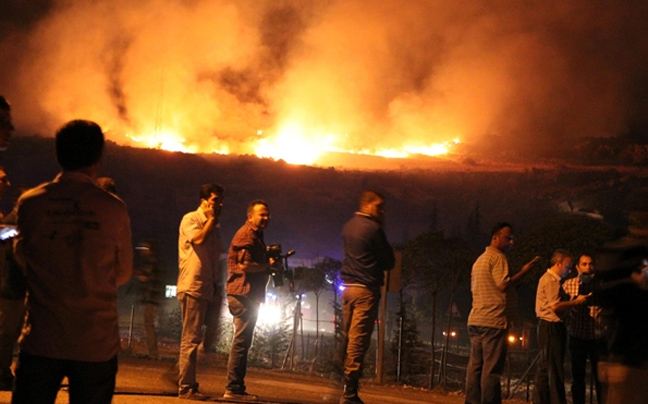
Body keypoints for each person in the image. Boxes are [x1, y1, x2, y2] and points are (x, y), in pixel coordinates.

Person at [12, 120, 133, 404]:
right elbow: (124, 272)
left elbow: (22, 257)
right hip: (95, 341)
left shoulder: (32, 203)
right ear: (98, 158)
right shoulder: (112, 208)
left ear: (58, 154)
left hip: (43, 336)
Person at [464, 222, 540, 404]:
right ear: (495, 238)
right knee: (491, 370)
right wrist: (524, 272)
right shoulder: (498, 258)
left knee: (475, 367)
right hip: (493, 320)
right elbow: (503, 284)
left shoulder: (480, 260)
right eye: (508, 238)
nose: (511, 242)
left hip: (476, 319)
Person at [339, 190, 395, 404]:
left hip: (347, 288)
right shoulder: (374, 229)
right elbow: (388, 261)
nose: (382, 211)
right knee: (358, 340)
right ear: (367, 205)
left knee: (347, 336)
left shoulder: (348, 227)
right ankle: (350, 391)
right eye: (379, 206)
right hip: (365, 290)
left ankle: (344, 382)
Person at [177, 183, 225, 400]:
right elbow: (198, 239)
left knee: (207, 336)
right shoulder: (191, 220)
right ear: (203, 201)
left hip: (209, 286)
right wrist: (211, 220)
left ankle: (185, 375)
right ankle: (186, 386)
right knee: (191, 337)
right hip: (194, 285)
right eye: (215, 200)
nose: (219, 205)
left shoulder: (214, 228)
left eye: (220, 201)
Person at [224, 200, 272, 402]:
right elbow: (244, 265)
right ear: (250, 216)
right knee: (241, 343)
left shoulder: (255, 236)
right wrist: (266, 265)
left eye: (267, 214)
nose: (266, 218)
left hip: (247, 294)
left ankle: (236, 387)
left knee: (243, 342)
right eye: (262, 214)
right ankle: (233, 388)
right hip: (243, 294)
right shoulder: (247, 234)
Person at [534, 249, 588, 404]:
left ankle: (540, 400)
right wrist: (576, 302)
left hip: (547, 327)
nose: (569, 270)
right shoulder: (551, 281)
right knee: (555, 371)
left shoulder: (550, 279)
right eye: (567, 266)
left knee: (545, 369)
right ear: (558, 264)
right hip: (551, 326)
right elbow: (556, 306)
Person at [561, 254, 604, 404]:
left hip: (597, 337)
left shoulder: (601, 285)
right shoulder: (568, 284)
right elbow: (561, 308)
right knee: (577, 379)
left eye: (590, 264)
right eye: (584, 264)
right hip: (577, 336)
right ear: (578, 267)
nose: (588, 267)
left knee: (601, 380)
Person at [0, 169, 24, 391]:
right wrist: (15, 232)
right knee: (6, 333)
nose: (7, 183)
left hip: (10, 285)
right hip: (8, 286)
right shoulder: (12, 222)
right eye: (2, 179)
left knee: (10, 332)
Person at [135, 240, 163, 360]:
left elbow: (144, 276)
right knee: (148, 325)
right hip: (152, 298)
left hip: (149, 298)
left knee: (148, 325)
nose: (143, 251)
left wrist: (135, 272)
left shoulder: (150, 262)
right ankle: (152, 353)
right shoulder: (156, 262)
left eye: (145, 248)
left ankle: (153, 354)